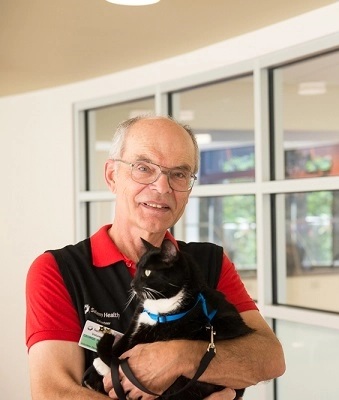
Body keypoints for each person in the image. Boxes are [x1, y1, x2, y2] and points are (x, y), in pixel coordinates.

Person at [25, 115, 286, 399]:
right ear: (112, 176)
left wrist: (179, 357)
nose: (162, 188)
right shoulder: (59, 271)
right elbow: (54, 392)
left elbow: (269, 359)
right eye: (143, 168)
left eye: (179, 174)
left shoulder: (209, 261)